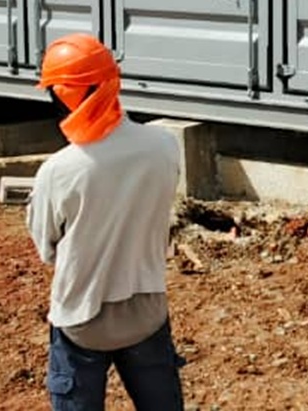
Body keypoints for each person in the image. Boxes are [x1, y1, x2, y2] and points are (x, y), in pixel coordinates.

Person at [25, 33, 186, 410]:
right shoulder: (163, 145)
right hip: (146, 310)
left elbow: (47, 248)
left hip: (82, 319)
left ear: (61, 95)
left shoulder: (59, 171)